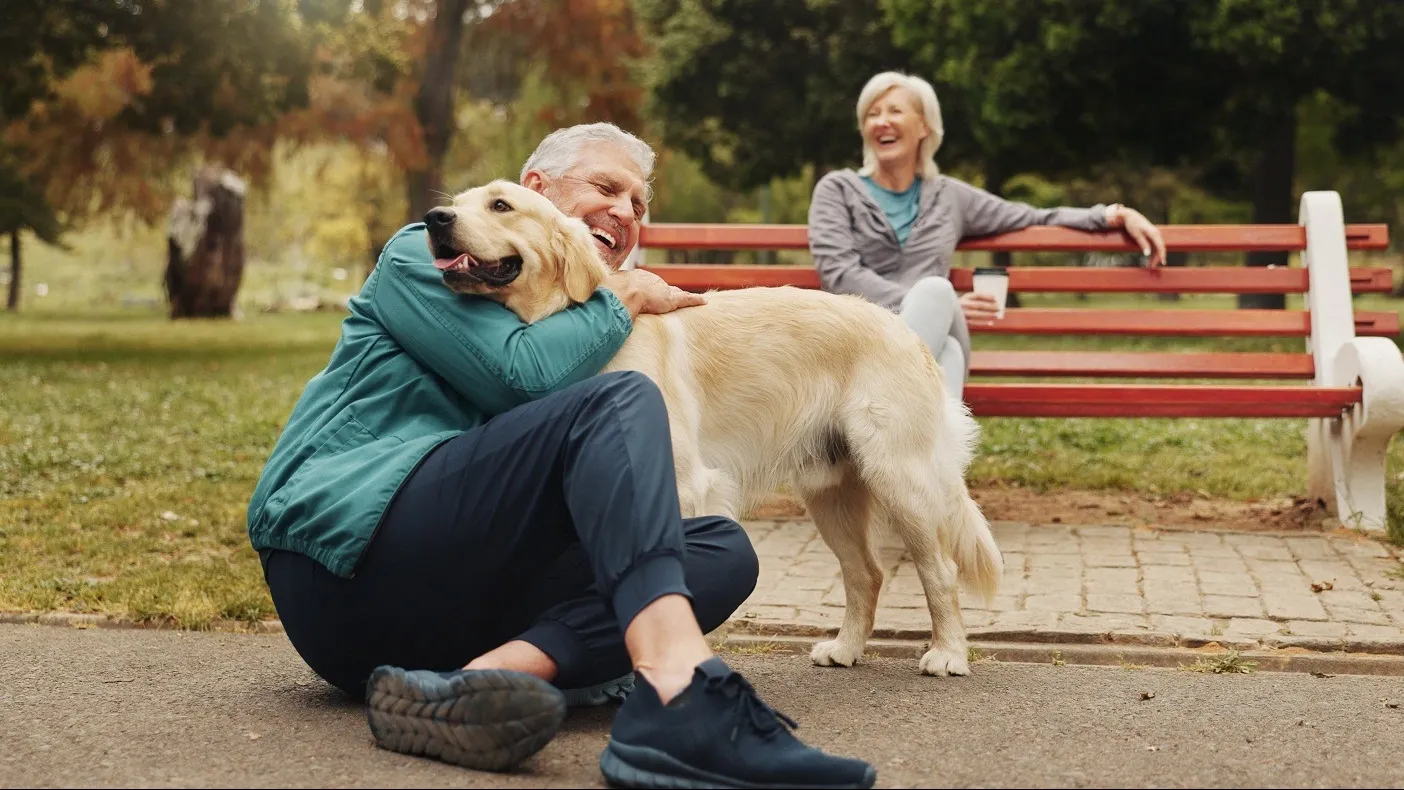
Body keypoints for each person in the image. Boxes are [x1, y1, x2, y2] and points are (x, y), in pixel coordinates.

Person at [246, 122, 877, 789]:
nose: (624, 212)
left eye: (638, 204)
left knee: (720, 551)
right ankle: (681, 696)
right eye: (606, 186)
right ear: (536, 189)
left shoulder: (576, 323)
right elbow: (517, 377)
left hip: (448, 616)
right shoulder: (430, 251)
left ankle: (484, 682)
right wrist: (621, 296)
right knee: (620, 401)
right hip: (340, 565)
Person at [808, 71, 1168, 401]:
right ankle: (932, 467)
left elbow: (1032, 215)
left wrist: (1112, 214)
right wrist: (932, 307)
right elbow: (840, 274)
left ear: (924, 126)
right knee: (944, 338)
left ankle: (876, 419)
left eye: (894, 111)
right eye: (872, 114)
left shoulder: (949, 196)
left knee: (936, 295)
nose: (882, 121)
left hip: (891, 369)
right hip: (861, 340)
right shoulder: (837, 190)